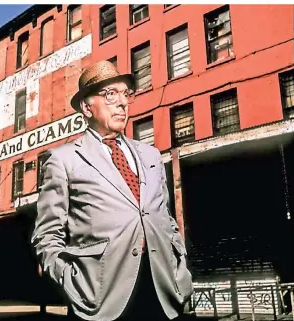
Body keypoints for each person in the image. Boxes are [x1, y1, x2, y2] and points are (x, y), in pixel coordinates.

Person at [31, 60, 194, 321]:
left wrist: (180, 269)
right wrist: (69, 279)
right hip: (99, 298)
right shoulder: (63, 159)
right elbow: (47, 235)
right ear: (86, 107)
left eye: (125, 94)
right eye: (110, 94)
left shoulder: (151, 155)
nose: (122, 102)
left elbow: (165, 218)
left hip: (163, 292)